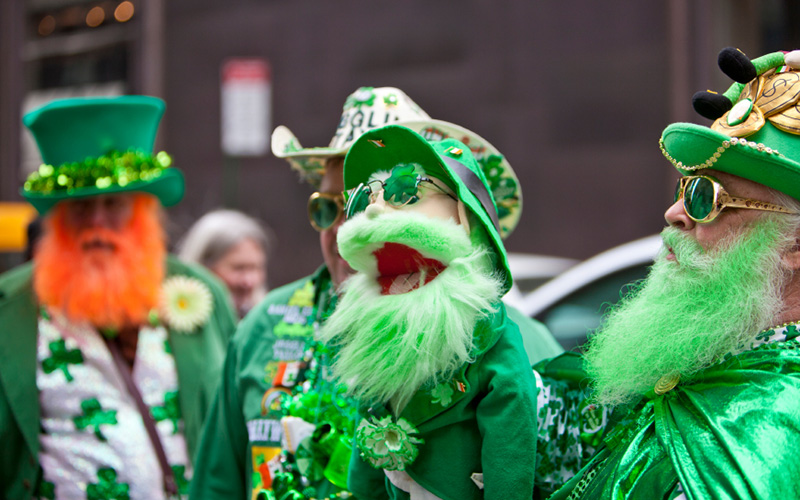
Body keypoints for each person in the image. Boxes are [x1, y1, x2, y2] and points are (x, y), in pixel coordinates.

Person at [190, 86, 561, 500]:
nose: (349, 226)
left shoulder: (515, 339)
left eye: (403, 196)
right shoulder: (263, 327)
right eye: (330, 207)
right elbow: (216, 483)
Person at [549, 48, 800, 499]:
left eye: (706, 196)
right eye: (684, 187)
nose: (674, 214)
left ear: (796, 246)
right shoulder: (709, 361)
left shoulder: (770, 424)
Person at [0, 96, 238, 500]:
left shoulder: (204, 294)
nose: (97, 222)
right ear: (56, 217)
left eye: (113, 204)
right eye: (80, 206)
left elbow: (235, 426)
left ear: (144, 211)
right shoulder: (10, 306)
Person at [319, 124, 538, 499]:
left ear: (463, 214)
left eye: (404, 189)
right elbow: (368, 421)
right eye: (363, 198)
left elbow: (511, 441)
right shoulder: (375, 322)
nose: (375, 209)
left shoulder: (490, 333)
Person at [178, 209, 272, 318]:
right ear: (202, 266)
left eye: (255, 268)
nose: (249, 281)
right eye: (238, 268)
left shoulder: (266, 322)